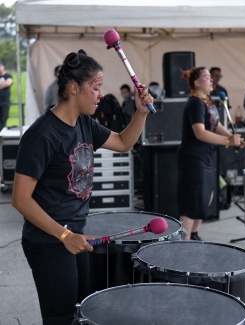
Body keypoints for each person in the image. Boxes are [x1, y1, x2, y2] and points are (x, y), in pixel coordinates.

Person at [12, 49, 153, 325]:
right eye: (96, 88)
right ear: (74, 88)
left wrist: (140, 113)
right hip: (48, 241)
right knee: (62, 318)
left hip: (75, 234)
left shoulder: (85, 123)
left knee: (81, 313)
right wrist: (65, 235)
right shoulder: (41, 135)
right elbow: (20, 199)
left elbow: (124, 143)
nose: (101, 95)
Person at [177, 67, 245, 241]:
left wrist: (232, 137)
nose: (212, 80)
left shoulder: (207, 101)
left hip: (204, 156)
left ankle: (193, 234)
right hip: (192, 157)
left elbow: (215, 125)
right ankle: (183, 245)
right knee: (193, 200)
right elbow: (200, 133)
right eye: (207, 77)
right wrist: (227, 142)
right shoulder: (194, 103)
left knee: (207, 196)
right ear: (197, 83)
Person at [0, 61, 13, 131]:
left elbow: (8, 83)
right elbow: (5, 83)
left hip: (5, 102)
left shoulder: (8, 76)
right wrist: (3, 84)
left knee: (3, 119)